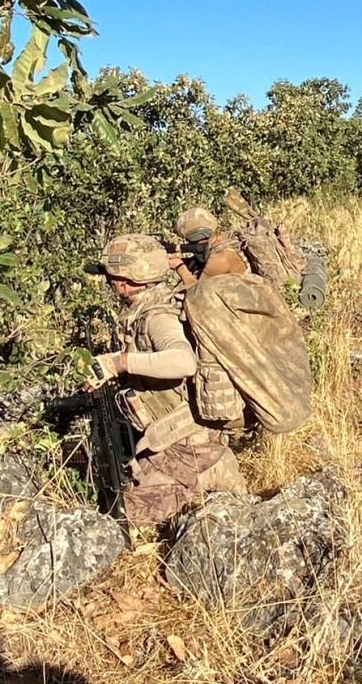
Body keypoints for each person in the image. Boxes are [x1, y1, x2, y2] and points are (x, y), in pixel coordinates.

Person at [83, 234, 246, 528]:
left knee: (124, 519)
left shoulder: (157, 314)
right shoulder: (147, 306)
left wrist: (118, 363)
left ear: (126, 279)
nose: (110, 282)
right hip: (178, 437)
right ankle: (211, 470)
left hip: (186, 446)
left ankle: (208, 474)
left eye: (112, 276)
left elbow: (183, 361)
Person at [168, 207, 248, 286]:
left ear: (195, 237)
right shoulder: (223, 238)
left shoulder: (220, 258)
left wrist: (179, 266)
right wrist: (178, 259)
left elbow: (196, 292)